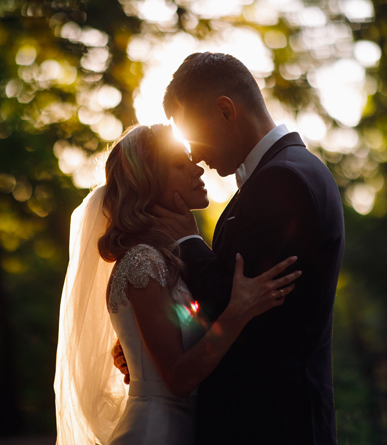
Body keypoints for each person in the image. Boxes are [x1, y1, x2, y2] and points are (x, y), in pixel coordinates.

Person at [54, 123, 301, 445]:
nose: (197, 169)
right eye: (179, 165)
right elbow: (178, 378)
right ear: (148, 184)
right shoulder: (142, 261)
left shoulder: (167, 259)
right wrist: (239, 311)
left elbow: (186, 334)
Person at [151, 52, 345, 444]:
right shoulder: (286, 172)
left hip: (270, 423)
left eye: (194, 138)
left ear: (226, 111)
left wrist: (187, 238)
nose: (198, 157)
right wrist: (151, 343)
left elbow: (237, 310)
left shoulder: (283, 182)